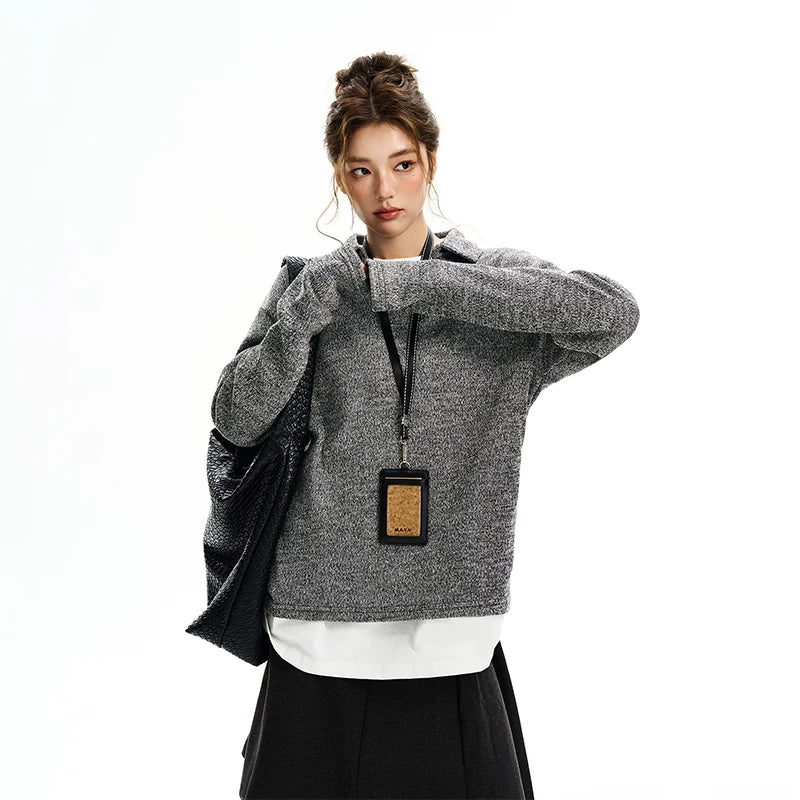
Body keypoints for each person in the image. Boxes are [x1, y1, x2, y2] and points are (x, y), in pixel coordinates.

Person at [212, 51, 640, 800]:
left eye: (402, 164)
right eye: (362, 170)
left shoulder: (488, 283)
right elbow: (236, 418)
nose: (385, 190)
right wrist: (307, 312)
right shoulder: (310, 287)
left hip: (451, 635)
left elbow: (612, 312)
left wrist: (426, 282)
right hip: (317, 631)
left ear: (430, 163)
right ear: (340, 178)